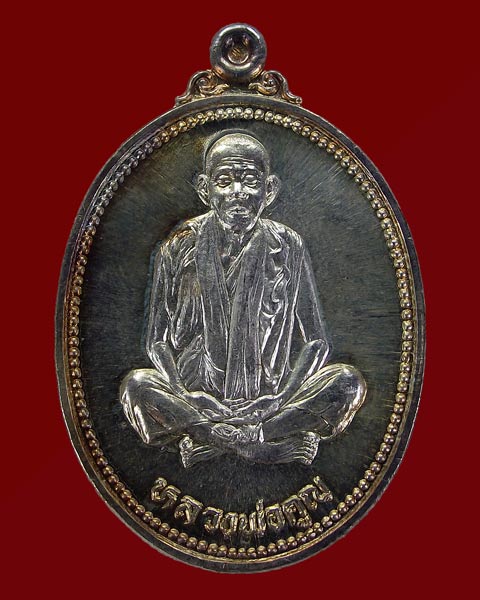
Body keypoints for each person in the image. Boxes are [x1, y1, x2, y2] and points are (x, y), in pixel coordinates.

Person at [120, 132, 366, 467]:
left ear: (270, 190)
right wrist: (185, 394)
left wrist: (278, 399)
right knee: (136, 385)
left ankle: (219, 440)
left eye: (250, 181)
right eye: (224, 181)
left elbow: (316, 342)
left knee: (347, 383)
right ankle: (257, 445)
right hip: (199, 399)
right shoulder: (178, 244)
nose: (238, 192)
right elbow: (157, 341)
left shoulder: (288, 244)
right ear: (205, 189)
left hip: (269, 400)